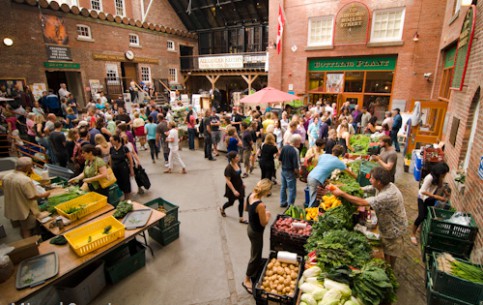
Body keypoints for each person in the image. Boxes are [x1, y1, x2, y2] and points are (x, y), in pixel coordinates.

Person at [331, 167, 408, 268]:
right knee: (385, 249)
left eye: (372, 178)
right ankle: (387, 264)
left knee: (391, 251)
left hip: (394, 228)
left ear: (379, 182)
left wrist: (342, 193)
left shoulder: (388, 195)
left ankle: (390, 270)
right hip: (386, 224)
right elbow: (369, 188)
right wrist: (350, 188)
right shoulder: (386, 185)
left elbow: (362, 202)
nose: (370, 179)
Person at [3, 157, 50, 238]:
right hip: (25, 209)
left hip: (14, 206)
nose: (31, 168)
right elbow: (32, 196)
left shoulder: (6, 177)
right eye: (30, 166)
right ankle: (29, 246)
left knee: (23, 226)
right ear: (27, 167)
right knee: (27, 229)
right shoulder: (25, 180)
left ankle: (26, 242)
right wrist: (44, 194)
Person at [242, 179, 272, 294]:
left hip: (250, 228)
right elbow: (264, 222)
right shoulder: (260, 205)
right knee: (255, 256)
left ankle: (254, 272)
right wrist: (267, 214)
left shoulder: (251, 195)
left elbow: (246, 209)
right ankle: (247, 279)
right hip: (256, 233)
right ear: (265, 191)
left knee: (255, 252)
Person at [410, 162, 450, 245]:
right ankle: (412, 234)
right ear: (440, 172)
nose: (444, 176)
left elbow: (440, 185)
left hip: (430, 198)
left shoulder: (439, 177)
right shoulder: (429, 178)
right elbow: (422, 191)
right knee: (421, 216)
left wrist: (445, 192)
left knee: (426, 214)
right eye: (444, 174)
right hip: (422, 198)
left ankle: (420, 228)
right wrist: (436, 197)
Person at [219, 151, 247, 223]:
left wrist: (242, 183)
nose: (238, 158)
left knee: (241, 201)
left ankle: (241, 218)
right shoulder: (228, 168)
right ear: (232, 159)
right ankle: (222, 208)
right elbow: (228, 181)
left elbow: (238, 176)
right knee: (231, 202)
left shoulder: (238, 164)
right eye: (237, 157)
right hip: (232, 187)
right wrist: (234, 190)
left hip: (239, 186)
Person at [279, 134, 301, 208]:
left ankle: (283, 202)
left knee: (283, 187)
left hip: (283, 170)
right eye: (299, 141)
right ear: (296, 142)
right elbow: (296, 165)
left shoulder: (284, 147)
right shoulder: (295, 151)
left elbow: (280, 159)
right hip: (290, 171)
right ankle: (290, 205)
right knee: (292, 189)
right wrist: (297, 174)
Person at [110, 135, 134, 199]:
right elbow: (110, 160)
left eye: (112, 141)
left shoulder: (124, 148)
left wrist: (131, 170)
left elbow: (130, 159)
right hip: (115, 169)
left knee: (125, 182)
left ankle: (127, 197)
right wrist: (110, 169)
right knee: (118, 182)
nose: (111, 142)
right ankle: (121, 195)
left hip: (124, 168)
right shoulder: (111, 149)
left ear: (116, 141)